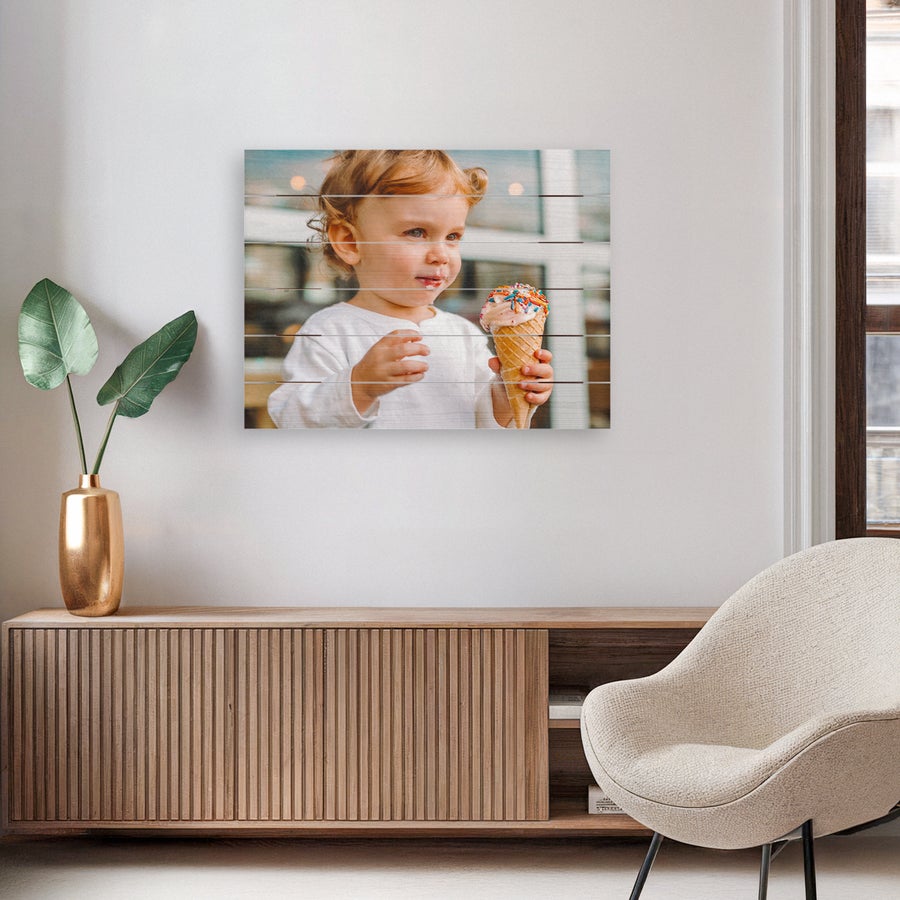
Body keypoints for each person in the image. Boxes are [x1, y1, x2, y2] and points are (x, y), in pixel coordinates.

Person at [267, 150, 553, 428]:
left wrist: (506, 395)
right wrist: (359, 386)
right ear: (350, 242)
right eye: (416, 232)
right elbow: (291, 419)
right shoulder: (329, 332)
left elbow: (483, 421)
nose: (440, 255)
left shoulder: (464, 335)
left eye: (452, 236)